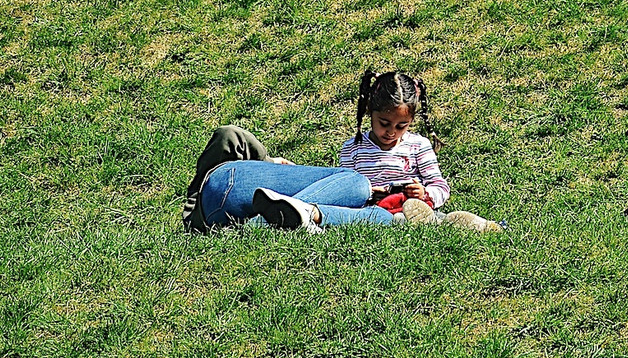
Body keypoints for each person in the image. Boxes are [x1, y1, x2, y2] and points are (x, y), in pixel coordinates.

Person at [180, 68, 503, 234]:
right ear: (370, 115)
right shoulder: (353, 147)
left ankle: (460, 222)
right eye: (383, 123)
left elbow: (438, 184)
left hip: (403, 203)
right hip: (364, 200)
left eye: (399, 126)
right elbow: (341, 184)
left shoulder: (418, 146)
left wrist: (427, 194)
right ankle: (285, 213)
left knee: (398, 216)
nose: (390, 132)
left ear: (412, 122)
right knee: (362, 198)